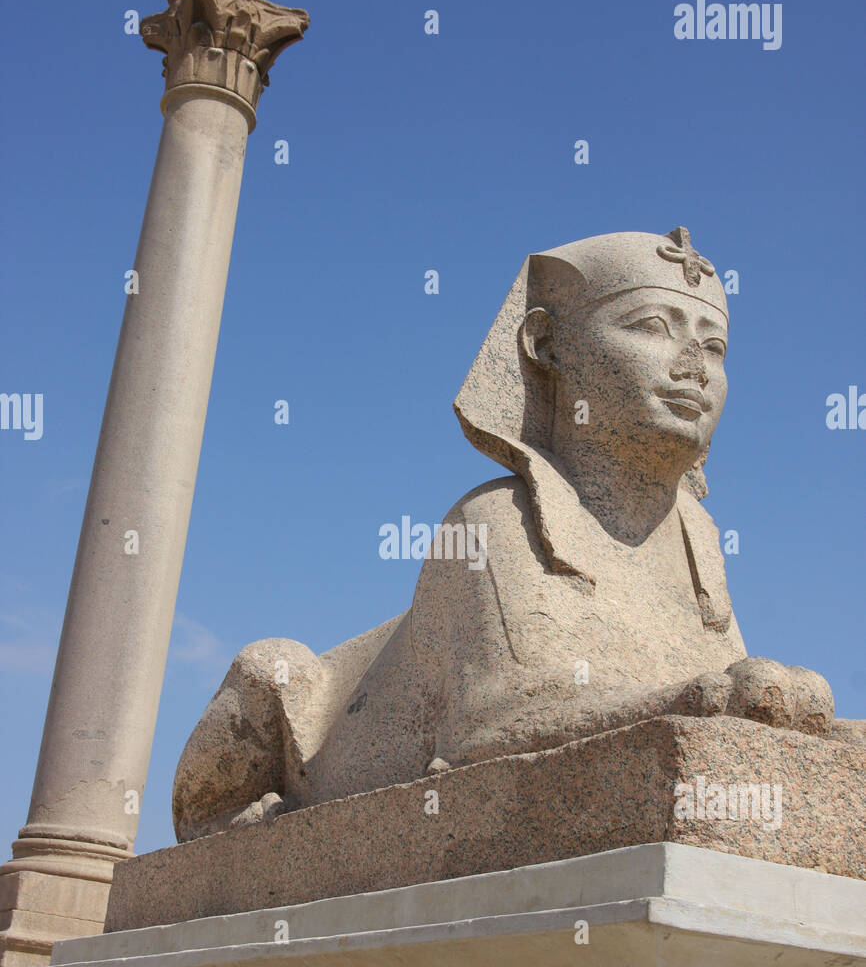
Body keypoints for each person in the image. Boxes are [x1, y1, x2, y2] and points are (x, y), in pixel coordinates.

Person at [172, 228, 847, 840]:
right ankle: (212, 822)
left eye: (714, 346)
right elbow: (489, 731)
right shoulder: (492, 522)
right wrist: (691, 698)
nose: (694, 366)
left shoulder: (698, 542)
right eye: (652, 327)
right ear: (546, 344)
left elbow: (734, 705)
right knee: (275, 666)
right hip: (322, 757)